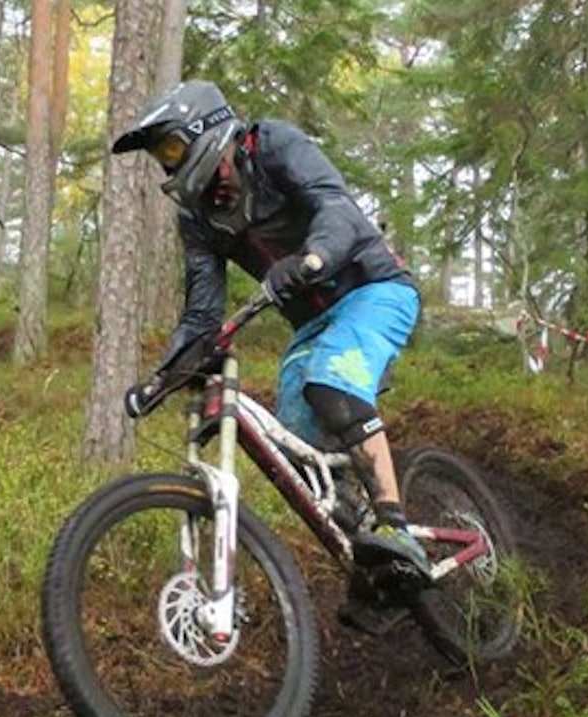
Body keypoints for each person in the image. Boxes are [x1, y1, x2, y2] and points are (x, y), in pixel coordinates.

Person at [111, 79, 429, 586]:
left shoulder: (273, 146)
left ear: (205, 130)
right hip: (312, 321)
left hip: (374, 288)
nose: (168, 164)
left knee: (331, 381)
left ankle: (396, 529)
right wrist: (165, 375)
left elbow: (337, 208)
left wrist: (312, 258)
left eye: (170, 147)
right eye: (160, 157)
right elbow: (202, 313)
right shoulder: (197, 218)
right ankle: (371, 563)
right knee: (295, 445)